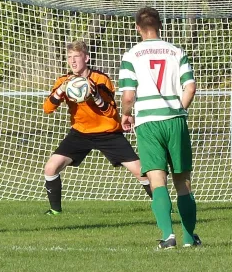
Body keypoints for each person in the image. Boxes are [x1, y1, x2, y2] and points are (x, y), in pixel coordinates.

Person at [119, 6, 200, 249]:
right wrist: (181, 109)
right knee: (182, 181)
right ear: (160, 26)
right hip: (174, 120)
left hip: (148, 122)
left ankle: (168, 236)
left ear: (137, 28)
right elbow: (191, 87)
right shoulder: (176, 51)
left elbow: (129, 95)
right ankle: (189, 238)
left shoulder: (131, 55)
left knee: (157, 180)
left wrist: (125, 115)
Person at [42, 40, 152, 216]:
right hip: (80, 133)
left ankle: (161, 205)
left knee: (142, 172)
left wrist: (95, 95)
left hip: (108, 133)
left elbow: (110, 112)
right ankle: (55, 211)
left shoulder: (101, 79)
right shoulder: (64, 81)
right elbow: (47, 109)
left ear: (86, 57)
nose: (73, 61)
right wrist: (60, 91)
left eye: (76, 56)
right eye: (69, 57)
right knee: (51, 168)